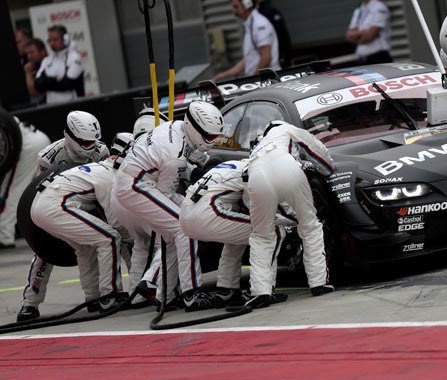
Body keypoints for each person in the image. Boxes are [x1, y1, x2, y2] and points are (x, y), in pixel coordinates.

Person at [113, 101, 225, 311]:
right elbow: (167, 192)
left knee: (174, 232)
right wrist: (190, 205)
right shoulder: (174, 153)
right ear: (196, 129)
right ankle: (191, 293)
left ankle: (163, 293)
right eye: (210, 137)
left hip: (136, 181)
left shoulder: (177, 128)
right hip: (137, 185)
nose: (212, 141)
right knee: (185, 227)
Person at [17, 110, 109, 321]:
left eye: (94, 142)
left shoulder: (101, 150)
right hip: (53, 211)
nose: (92, 148)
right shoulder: (48, 158)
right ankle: (29, 303)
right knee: (43, 254)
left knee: (102, 244)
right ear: (70, 137)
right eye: (86, 144)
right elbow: (36, 194)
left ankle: (93, 298)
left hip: (88, 207)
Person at [237, 120, 335, 310]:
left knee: (261, 236)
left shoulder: (257, 148)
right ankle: (318, 283)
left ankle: (260, 292)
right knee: (310, 225)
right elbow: (317, 150)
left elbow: (248, 188)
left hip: (256, 177)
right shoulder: (287, 129)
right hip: (286, 168)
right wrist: (328, 169)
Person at [28, 135, 133, 312]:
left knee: (86, 248)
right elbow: (115, 222)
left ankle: (92, 298)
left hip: (37, 205)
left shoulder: (98, 167)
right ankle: (110, 295)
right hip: (54, 205)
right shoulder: (110, 177)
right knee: (110, 237)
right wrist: (136, 238)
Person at [180, 159, 294, 308]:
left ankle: (226, 289)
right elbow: (257, 210)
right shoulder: (254, 170)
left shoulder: (231, 165)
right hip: (207, 213)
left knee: (237, 234)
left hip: (185, 217)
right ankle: (261, 290)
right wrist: (293, 220)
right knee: (272, 232)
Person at [0, 119, 50, 249]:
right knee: (42, 192)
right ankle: (52, 232)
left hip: (26, 145)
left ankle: (4, 237)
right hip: (39, 139)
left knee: (11, 190)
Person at [214, 0, 280, 81]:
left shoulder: (260, 24)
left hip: (267, 80)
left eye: (236, 7)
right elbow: (249, 58)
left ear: (247, 4)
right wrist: (224, 75)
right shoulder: (250, 25)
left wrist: (251, 80)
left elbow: (266, 58)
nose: (234, 11)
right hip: (260, 80)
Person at [346, 0, 392, 64]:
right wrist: (363, 32)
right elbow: (349, 36)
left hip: (378, 59)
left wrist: (358, 36)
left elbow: (369, 36)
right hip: (363, 60)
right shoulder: (359, 11)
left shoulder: (380, 8)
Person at [34, 25, 84, 104]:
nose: (52, 43)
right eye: (50, 40)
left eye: (55, 40)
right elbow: (38, 85)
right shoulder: (47, 60)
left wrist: (47, 81)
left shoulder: (74, 57)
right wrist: (56, 79)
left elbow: (67, 84)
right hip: (52, 107)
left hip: (73, 107)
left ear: (65, 39)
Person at [24, 38, 48, 105]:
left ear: (43, 52)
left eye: (32, 52)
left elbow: (34, 92)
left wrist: (28, 73)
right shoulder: (33, 66)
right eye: (27, 53)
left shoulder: (49, 66)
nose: (29, 56)